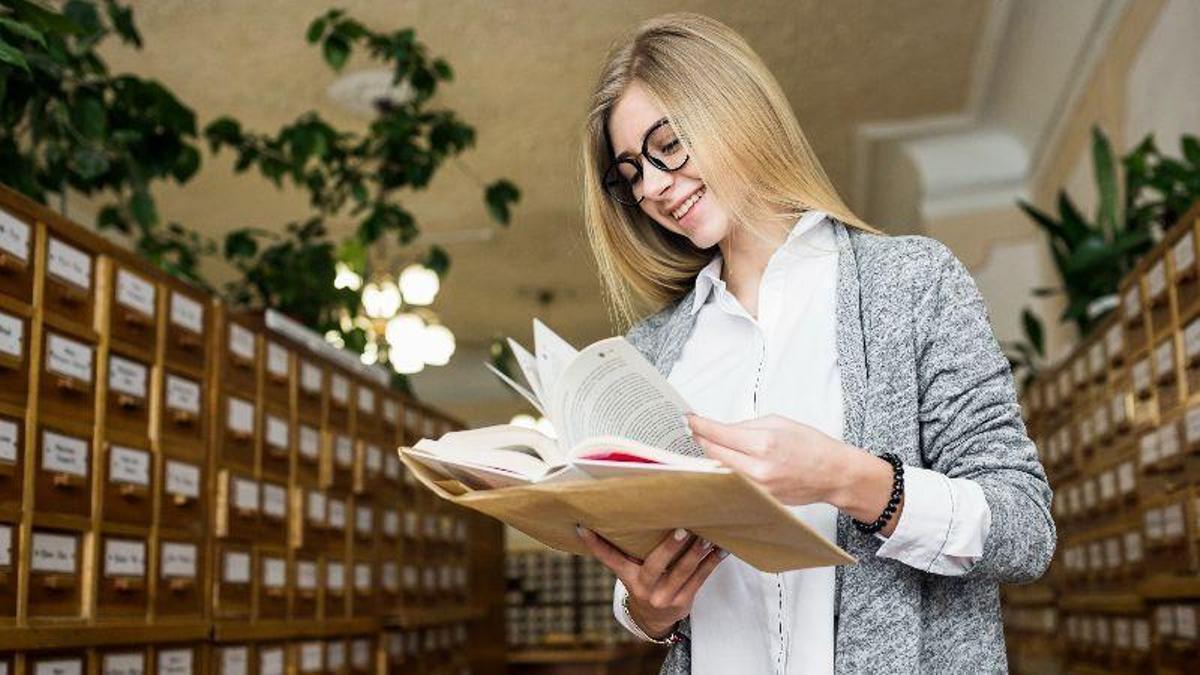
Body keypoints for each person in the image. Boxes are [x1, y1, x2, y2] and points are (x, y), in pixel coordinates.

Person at [572, 12, 1055, 674]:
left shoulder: (912, 282)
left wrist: (847, 478)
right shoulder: (651, 352)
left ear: (734, 112)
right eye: (631, 172)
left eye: (669, 146)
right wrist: (648, 609)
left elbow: (1025, 529)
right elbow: (653, 588)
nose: (652, 186)